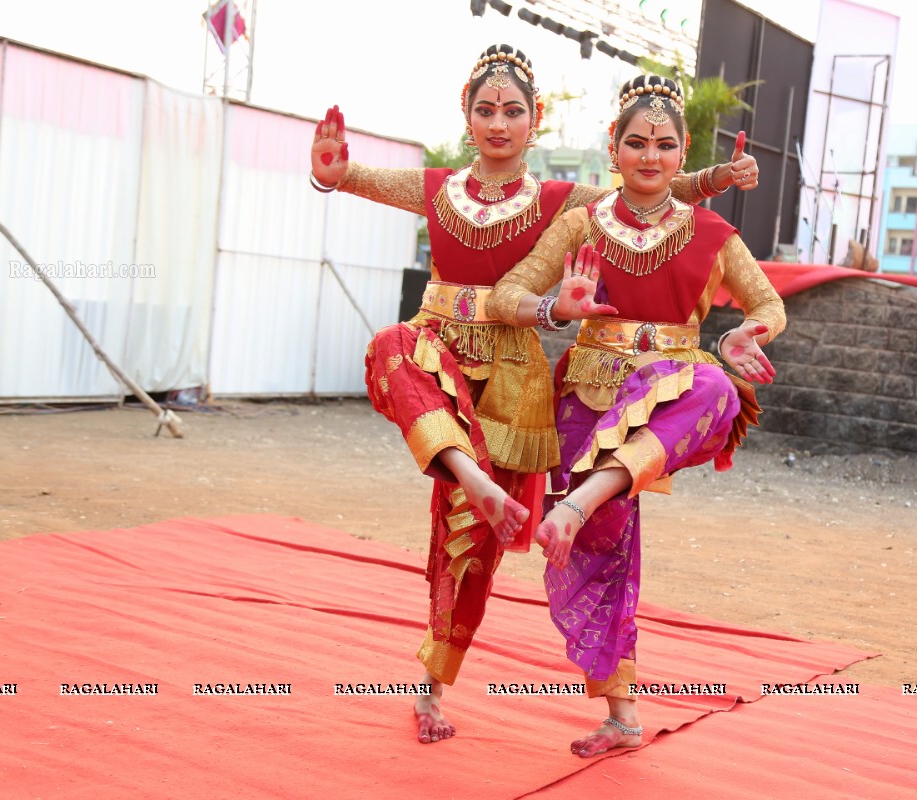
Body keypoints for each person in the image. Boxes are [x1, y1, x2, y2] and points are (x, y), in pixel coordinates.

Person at [308, 48, 761, 745]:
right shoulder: (436, 188)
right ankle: (433, 677)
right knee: (397, 357)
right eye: (485, 110)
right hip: (442, 358)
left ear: (534, 121)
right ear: (466, 117)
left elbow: (646, 187)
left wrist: (715, 179)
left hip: (517, 385)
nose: (498, 122)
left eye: (512, 111)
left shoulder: (562, 202)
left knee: (569, 535)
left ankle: (620, 708)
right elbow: (364, 177)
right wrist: (334, 176)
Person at [488, 74, 785, 758]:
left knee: (719, 388)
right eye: (636, 143)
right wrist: (557, 308)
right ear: (614, 149)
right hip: (586, 395)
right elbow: (507, 293)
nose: (649, 157)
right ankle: (621, 716)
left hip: (671, 387)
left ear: (682, 156)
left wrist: (746, 336)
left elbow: (768, 304)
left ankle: (582, 498)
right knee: (600, 554)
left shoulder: (711, 232)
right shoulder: (581, 224)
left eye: (664, 145)